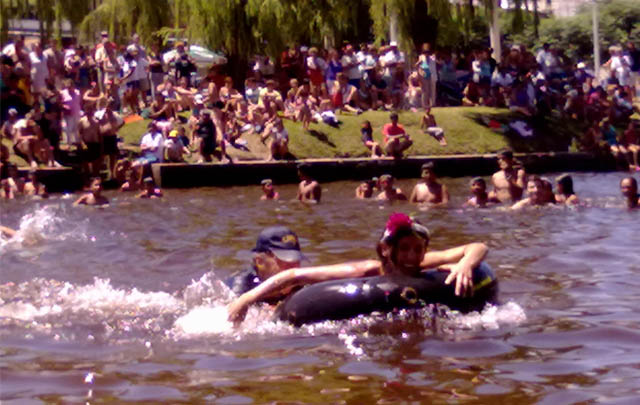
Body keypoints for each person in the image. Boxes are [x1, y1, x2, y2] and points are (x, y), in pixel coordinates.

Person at [228, 212, 489, 324]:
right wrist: (248, 298)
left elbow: (477, 246)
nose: (412, 256)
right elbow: (297, 274)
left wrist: (465, 264)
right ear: (388, 249)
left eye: (418, 249)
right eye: (406, 248)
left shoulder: (424, 262)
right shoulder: (369, 270)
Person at [225, 226, 304, 298]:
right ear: (259, 261)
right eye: (284, 260)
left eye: (296, 260)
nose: (292, 268)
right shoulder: (239, 287)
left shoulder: (300, 286)